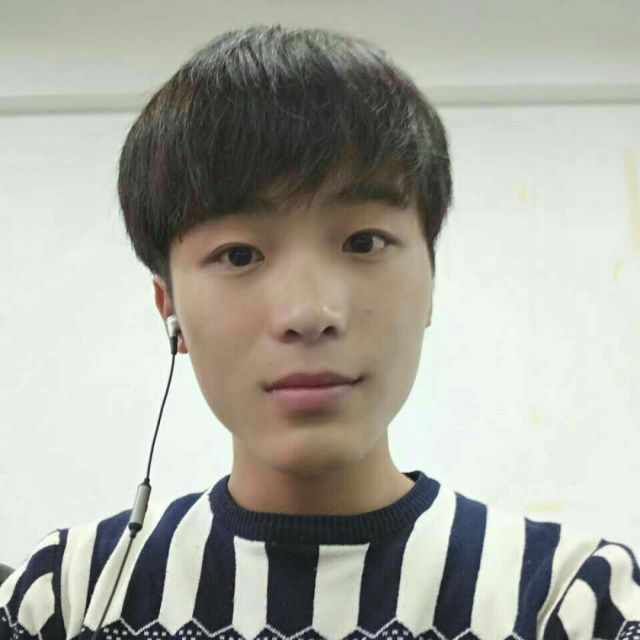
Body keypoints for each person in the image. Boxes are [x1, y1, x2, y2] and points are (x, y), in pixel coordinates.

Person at [1, 23, 639, 640]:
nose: (308, 313)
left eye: (364, 242)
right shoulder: (67, 597)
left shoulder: (572, 601)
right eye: (239, 255)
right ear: (170, 309)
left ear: (431, 281)